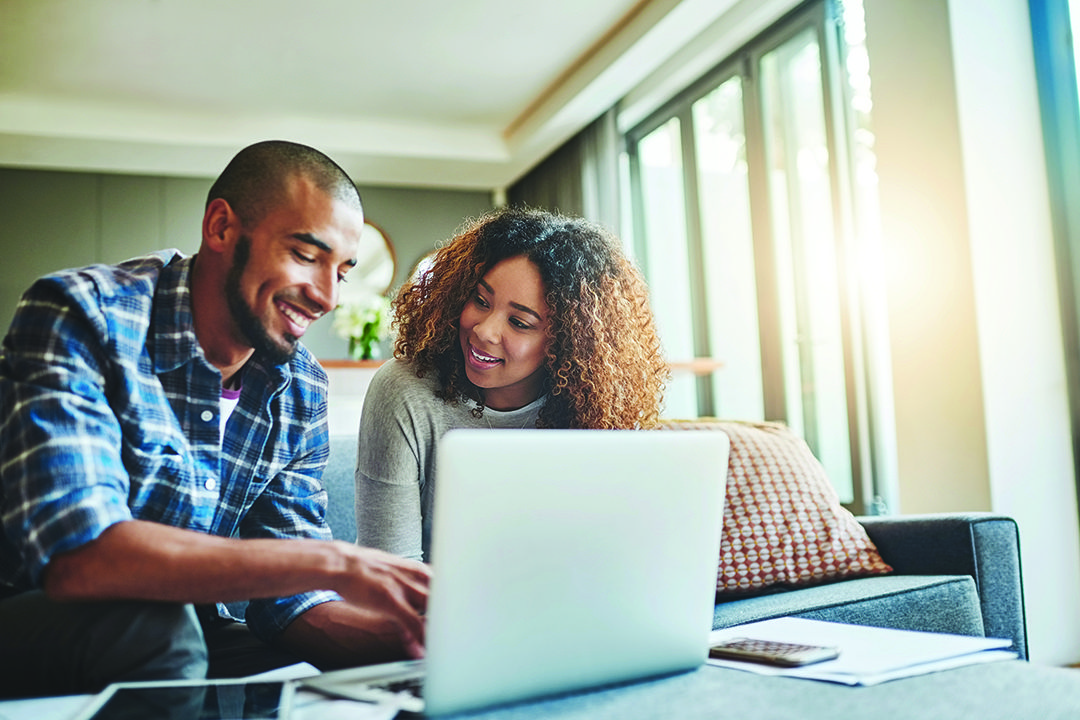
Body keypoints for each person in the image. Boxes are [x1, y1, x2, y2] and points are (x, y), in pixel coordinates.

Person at [0, 140, 430, 699]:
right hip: (34, 613)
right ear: (221, 227)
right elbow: (80, 557)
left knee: (299, 681)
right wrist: (335, 561)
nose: (326, 297)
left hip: (185, 631)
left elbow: (289, 602)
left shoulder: (300, 386)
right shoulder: (81, 315)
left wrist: (414, 641)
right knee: (163, 631)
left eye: (342, 272)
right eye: (305, 255)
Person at [355, 206, 668, 562]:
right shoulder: (405, 391)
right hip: (428, 610)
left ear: (566, 341)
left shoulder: (596, 410)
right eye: (480, 300)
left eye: (519, 322)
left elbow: (611, 555)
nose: (484, 331)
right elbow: (390, 573)